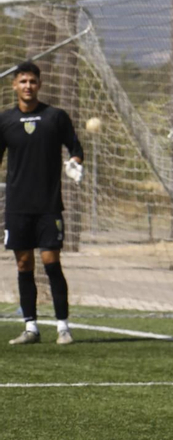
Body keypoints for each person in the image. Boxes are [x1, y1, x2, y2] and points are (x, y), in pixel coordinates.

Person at [2, 62, 84, 346]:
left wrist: (75, 162)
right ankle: (31, 328)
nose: (28, 86)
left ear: (40, 84)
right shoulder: (5, 121)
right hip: (17, 207)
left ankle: (63, 326)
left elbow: (76, 147)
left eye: (32, 81)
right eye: (23, 81)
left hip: (49, 206)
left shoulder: (55, 117)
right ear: (14, 85)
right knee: (24, 264)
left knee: (51, 262)